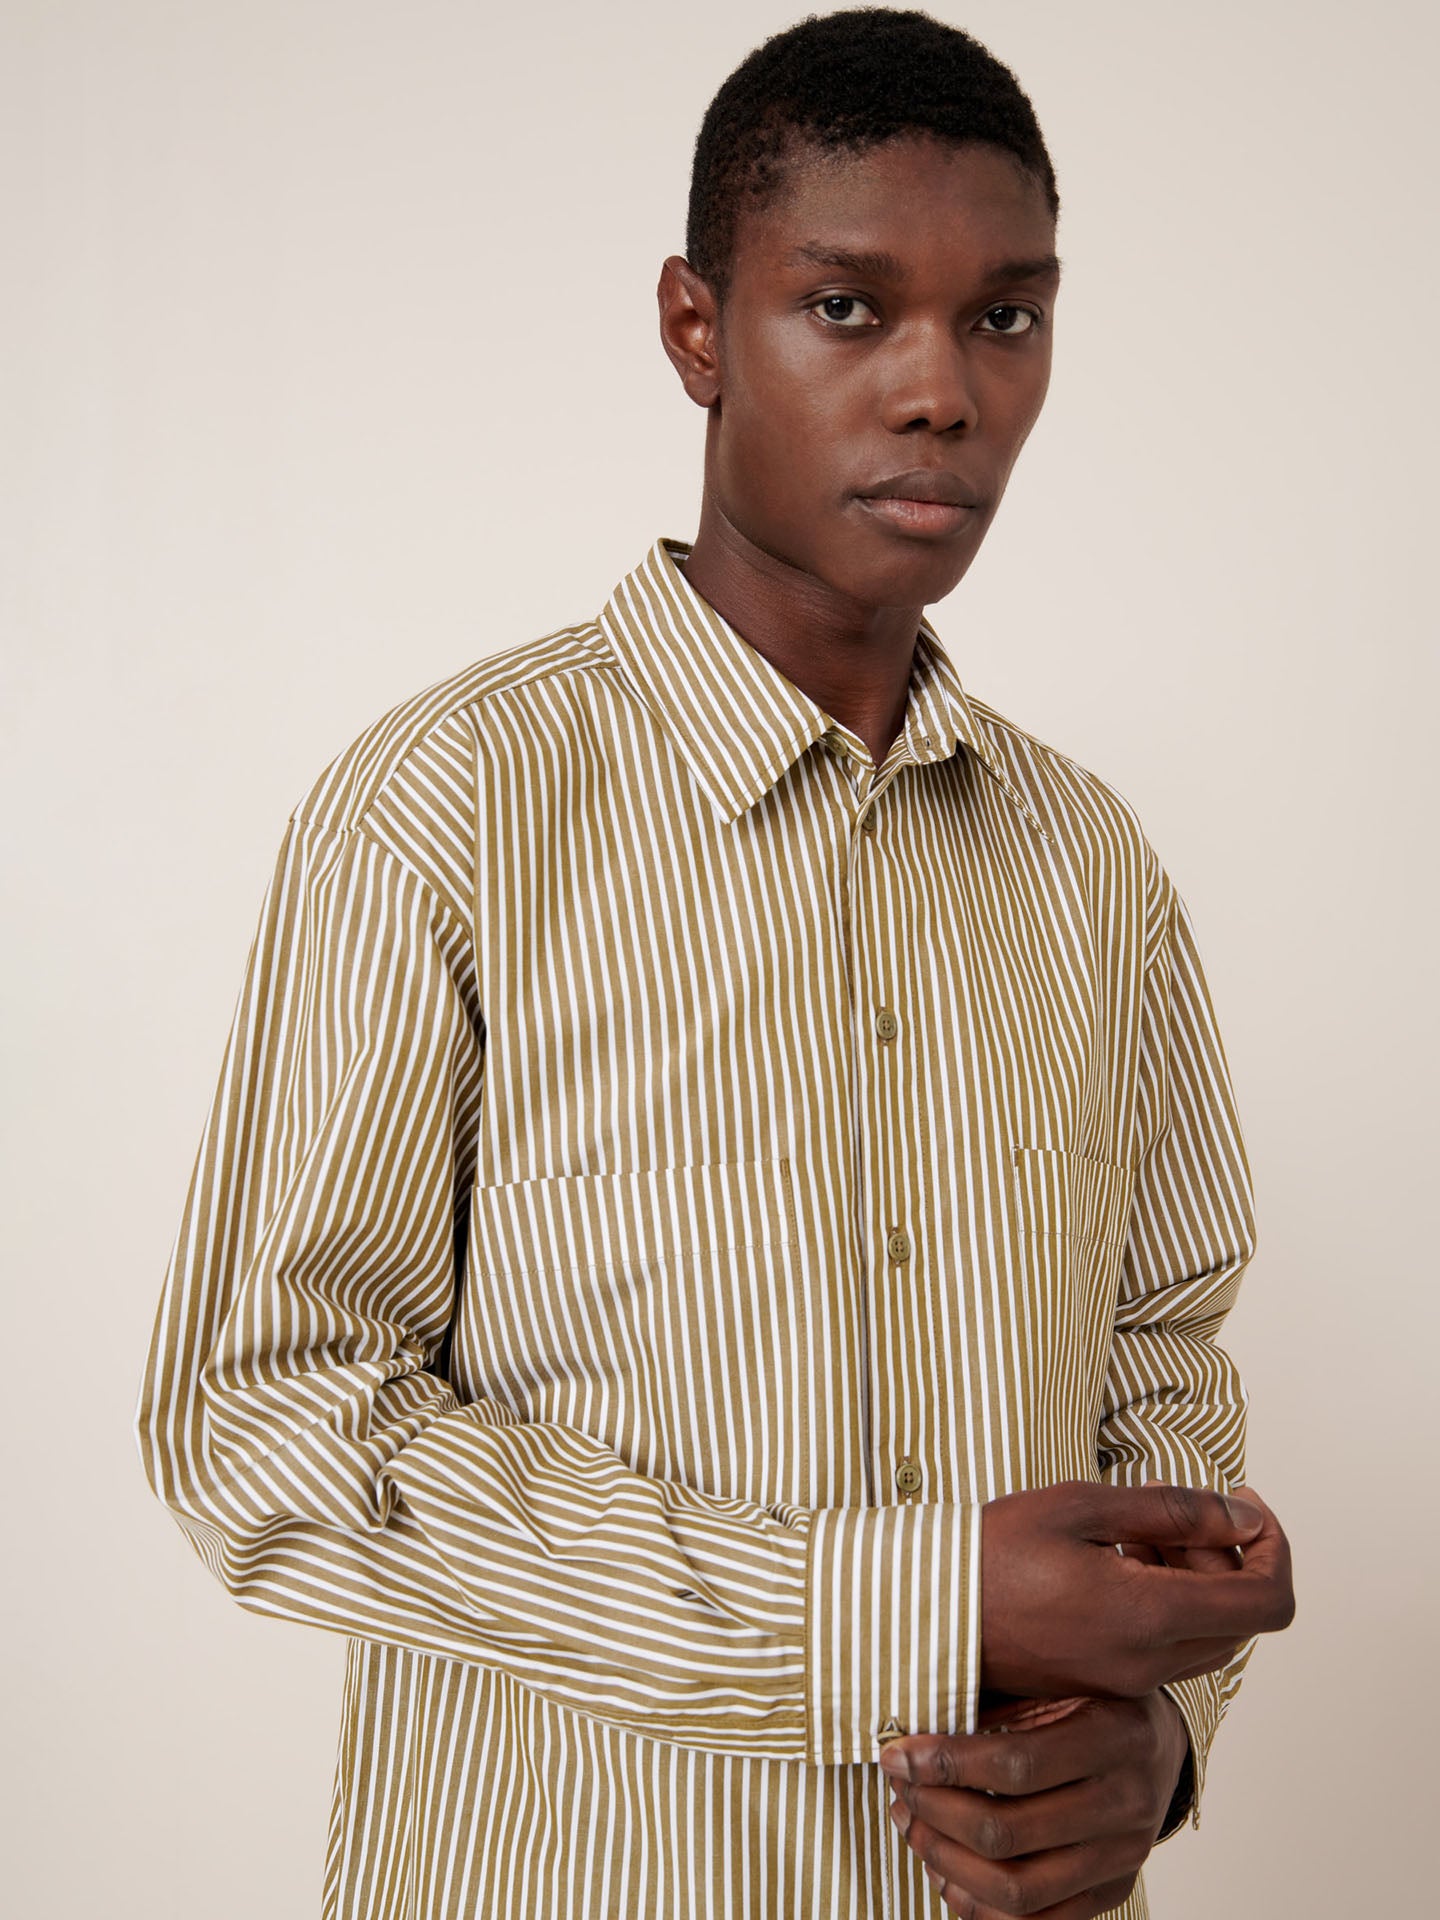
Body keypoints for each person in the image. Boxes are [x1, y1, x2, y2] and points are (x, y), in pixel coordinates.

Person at [135, 9, 1294, 1918]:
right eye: (849, 309)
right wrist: (894, 1608)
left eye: (1006, 318)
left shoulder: (1092, 867)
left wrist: (1165, 1745)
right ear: (696, 327)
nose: (943, 391)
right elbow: (266, 1423)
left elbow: (1165, 1358)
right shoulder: (448, 812)